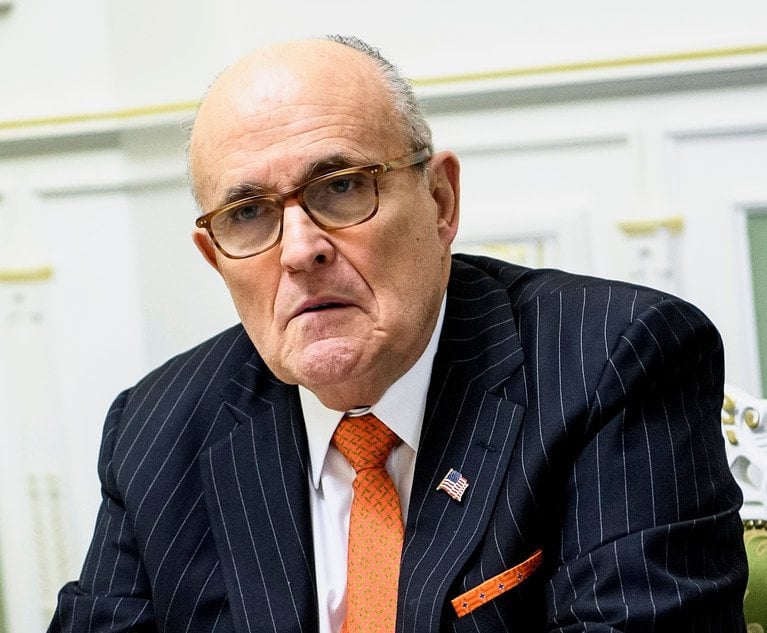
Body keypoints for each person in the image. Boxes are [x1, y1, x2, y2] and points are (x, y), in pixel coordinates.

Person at [49, 35, 748, 632]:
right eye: (248, 213)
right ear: (216, 258)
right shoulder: (156, 430)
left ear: (441, 201)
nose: (299, 250)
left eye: (342, 186)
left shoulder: (613, 361)